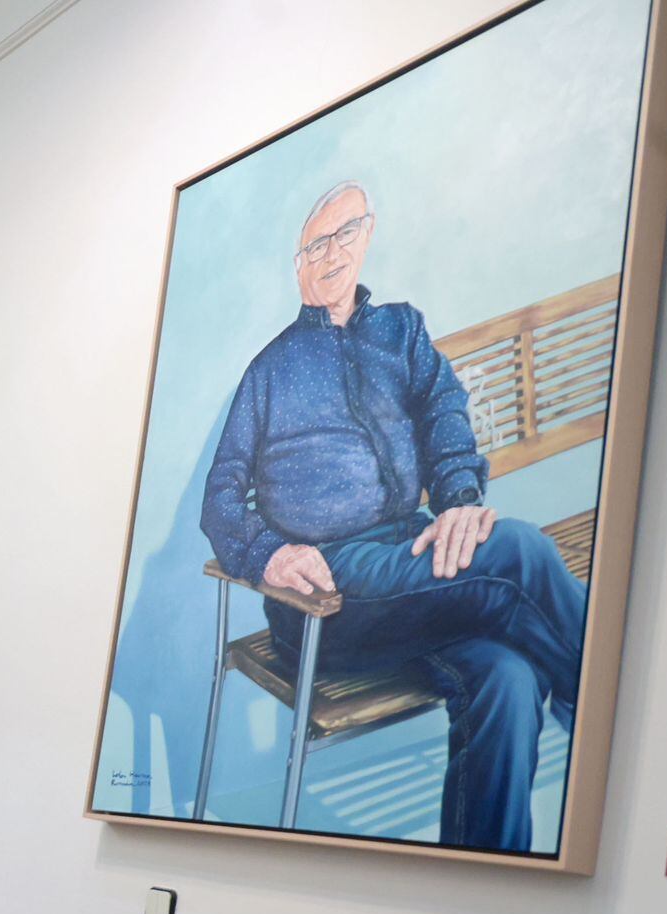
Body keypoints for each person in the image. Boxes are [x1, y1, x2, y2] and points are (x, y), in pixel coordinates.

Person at [200, 181, 586, 852]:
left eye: (345, 233)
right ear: (297, 264)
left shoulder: (401, 331)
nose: (332, 254)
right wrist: (268, 554)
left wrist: (461, 501)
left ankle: (481, 885)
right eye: (315, 244)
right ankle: (618, 721)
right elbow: (222, 494)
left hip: (411, 566)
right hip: (333, 595)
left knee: (509, 678)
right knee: (519, 552)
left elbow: (444, 418)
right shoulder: (268, 372)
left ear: (369, 233)